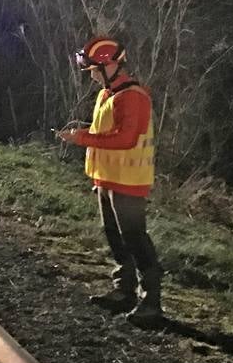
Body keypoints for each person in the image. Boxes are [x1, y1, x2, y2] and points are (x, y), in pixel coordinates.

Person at [57, 36, 164, 328]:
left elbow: (126, 139)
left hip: (128, 181)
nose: (90, 74)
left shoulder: (133, 96)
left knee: (135, 238)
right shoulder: (108, 94)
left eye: (93, 69)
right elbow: (106, 131)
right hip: (107, 178)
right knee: (115, 237)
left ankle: (151, 302)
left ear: (110, 65)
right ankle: (124, 290)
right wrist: (84, 132)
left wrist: (82, 138)